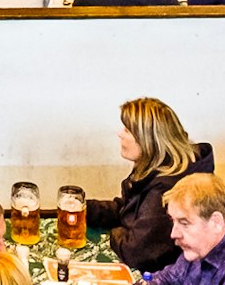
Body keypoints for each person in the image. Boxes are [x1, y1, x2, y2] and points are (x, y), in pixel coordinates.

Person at [88, 99, 211, 275]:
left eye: (127, 130)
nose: (119, 134)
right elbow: (128, 209)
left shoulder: (166, 190)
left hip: (162, 280)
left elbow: (137, 252)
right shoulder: (157, 168)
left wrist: (115, 232)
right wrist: (86, 209)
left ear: (148, 140)